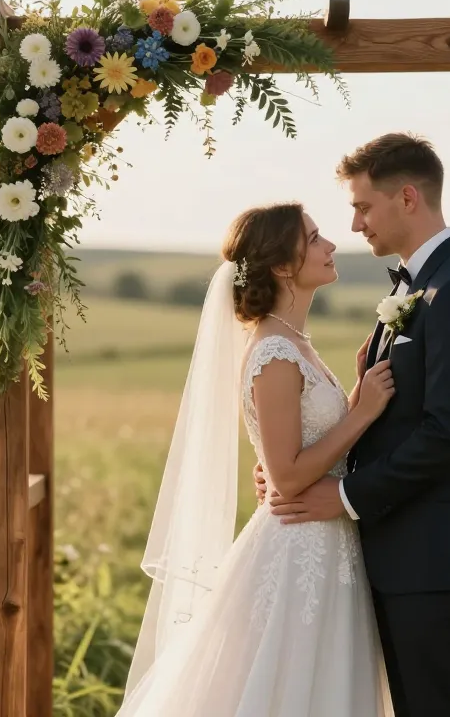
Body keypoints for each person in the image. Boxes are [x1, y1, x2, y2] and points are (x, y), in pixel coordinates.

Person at [256, 132, 450, 716]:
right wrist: (287, 468)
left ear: (407, 199)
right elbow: (385, 418)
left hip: (434, 557)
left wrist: (341, 496)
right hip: (398, 553)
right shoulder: (420, 286)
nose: (354, 226)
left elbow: (449, 435)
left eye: (362, 207)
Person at [117, 202, 397, 716]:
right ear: (282, 265)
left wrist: (355, 393)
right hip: (296, 549)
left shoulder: (295, 344)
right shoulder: (272, 353)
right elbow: (288, 477)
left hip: (326, 541)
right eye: (314, 239)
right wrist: (364, 414)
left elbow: (303, 447)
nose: (331, 245)